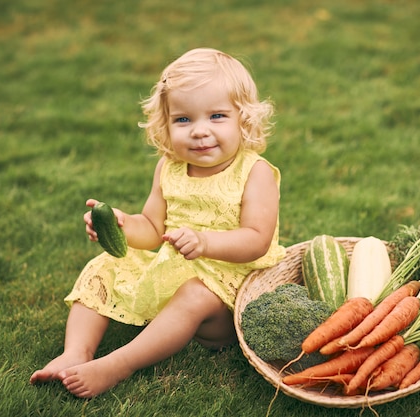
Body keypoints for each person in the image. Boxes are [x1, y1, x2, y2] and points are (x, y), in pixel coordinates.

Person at [29, 48, 286, 398]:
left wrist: (206, 242)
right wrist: (121, 227)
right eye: (183, 120)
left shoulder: (255, 172)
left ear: (244, 120)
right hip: (173, 268)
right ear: (164, 125)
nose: (199, 131)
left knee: (194, 295)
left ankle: (119, 363)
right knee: (104, 265)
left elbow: (257, 239)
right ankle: (76, 351)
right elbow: (151, 228)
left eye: (217, 116)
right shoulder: (169, 167)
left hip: (229, 288)